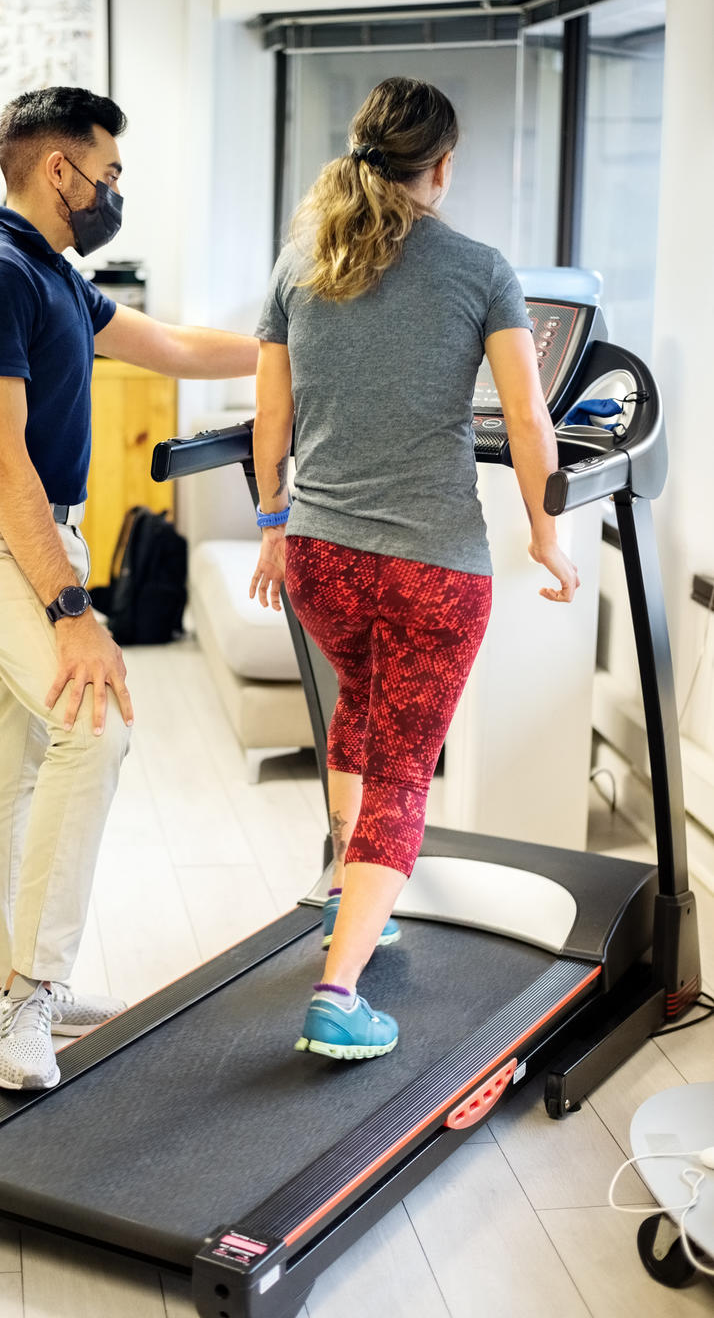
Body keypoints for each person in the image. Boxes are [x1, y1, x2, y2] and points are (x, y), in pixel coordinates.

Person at [0, 86, 257, 1090]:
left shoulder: (51, 272)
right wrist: (74, 613)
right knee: (94, 723)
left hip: (16, 535)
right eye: (108, 174)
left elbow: (175, 348)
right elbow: (0, 460)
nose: (115, 192)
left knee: (11, 758)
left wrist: (290, 350)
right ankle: (32, 990)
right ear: (57, 167)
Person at [249, 76, 579, 1062]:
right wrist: (545, 532)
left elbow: (274, 419)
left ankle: (353, 902)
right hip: (430, 565)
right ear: (440, 167)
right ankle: (337, 990)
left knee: (361, 710)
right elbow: (527, 419)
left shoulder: (300, 258)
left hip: (319, 556)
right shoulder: (480, 267)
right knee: (402, 764)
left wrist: (273, 524)